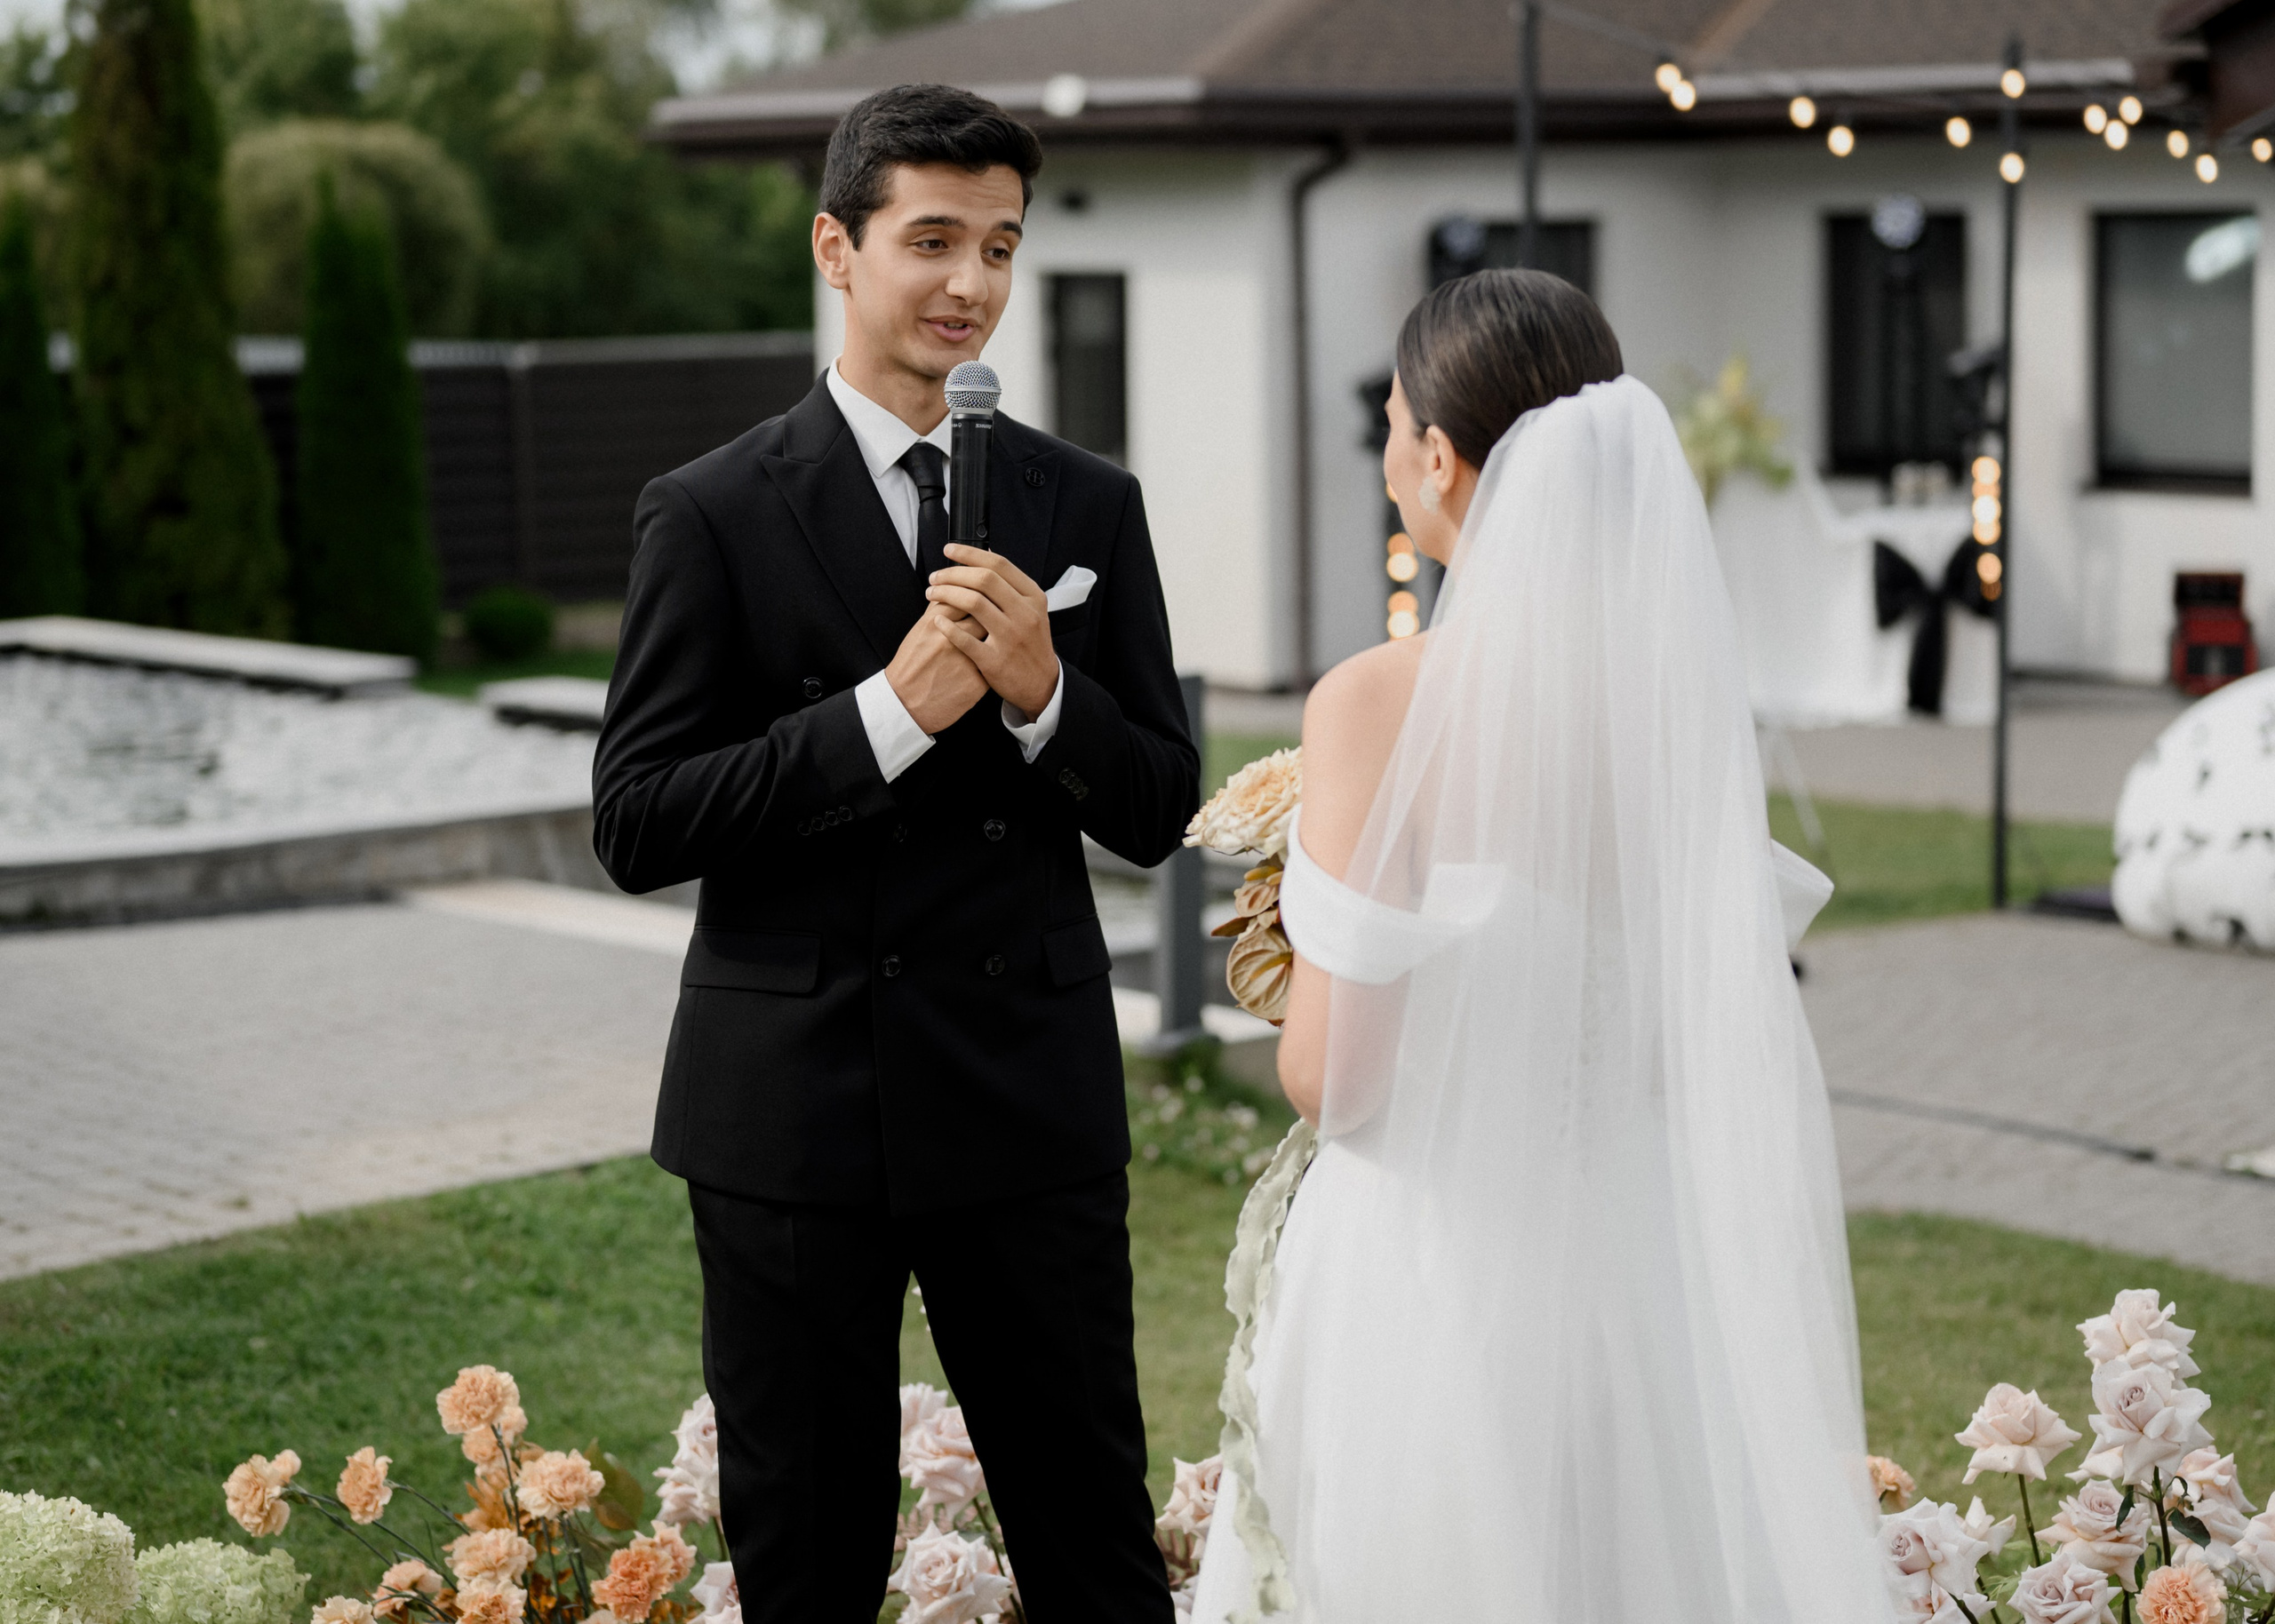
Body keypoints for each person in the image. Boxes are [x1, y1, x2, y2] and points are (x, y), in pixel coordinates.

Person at [1187, 271, 1893, 1622]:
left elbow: (1338, 1078)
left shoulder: (1379, 704)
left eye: (1394, 425)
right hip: (1638, 1274)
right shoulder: (1669, 711)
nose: (1390, 456)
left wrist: (1297, 953)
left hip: (1432, 1280)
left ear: (1439, 459)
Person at [591, 83, 1193, 1624]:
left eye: (999, 246)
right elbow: (639, 819)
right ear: (834, 250)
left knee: (1094, 1549)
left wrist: (1047, 696)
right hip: (793, 1113)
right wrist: (886, 716)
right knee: (805, 1561)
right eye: (931, 240)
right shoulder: (709, 511)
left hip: (1027, 1095)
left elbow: (1157, 804)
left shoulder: (1088, 504)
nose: (971, 285)